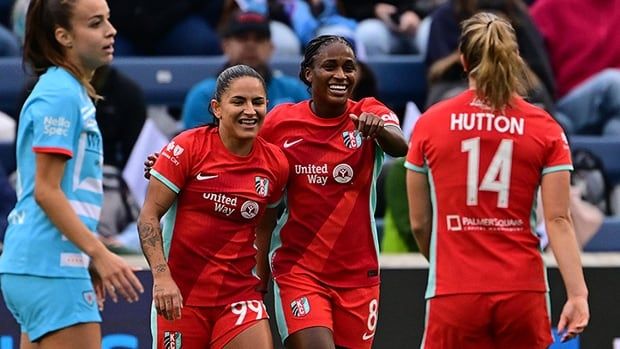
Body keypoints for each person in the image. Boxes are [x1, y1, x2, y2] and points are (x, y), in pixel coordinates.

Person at [405, 12, 589, 348]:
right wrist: (578, 294)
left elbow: (418, 223)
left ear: (463, 61)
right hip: (523, 290)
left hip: (454, 291)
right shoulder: (545, 127)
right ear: (516, 58)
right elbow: (559, 219)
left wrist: (448, 261)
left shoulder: (430, 124)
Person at [0, 0, 144, 348]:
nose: (111, 31)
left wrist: (85, 257)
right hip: (50, 264)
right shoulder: (60, 95)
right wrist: (97, 253)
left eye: (109, 20)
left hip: (43, 264)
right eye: (95, 23)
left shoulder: (69, 90)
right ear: (63, 35)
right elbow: (46, 191)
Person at [258, 35, 408, 348]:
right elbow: (237, 158)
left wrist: (378, 128)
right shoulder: (281, 122)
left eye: (348, 67)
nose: (341, 75)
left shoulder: (369, 112)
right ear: (309, 74)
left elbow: (400, 145)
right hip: (298, 271)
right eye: (330, 66)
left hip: (358, 277)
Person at [139, 64, 289, 349]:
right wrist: (161, 279)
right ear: (216, 108)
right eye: (238, 101)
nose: (250, 110)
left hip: (239, 297)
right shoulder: (186, 148)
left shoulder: (276, 164)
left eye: (258, 102)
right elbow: (148, 215)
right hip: (182, 296)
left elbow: (265, 226)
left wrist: (260, 285)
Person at [181, 11, 309, 129]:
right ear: (226, 46)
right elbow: (198, 147)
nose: (250, 45)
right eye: (242, 38)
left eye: (258, 39)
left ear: (271, 48)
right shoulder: (204, 95)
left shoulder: (293, 90)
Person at [530, 0, 620, 135]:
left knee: (615, 128)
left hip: (614, 106)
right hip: (561, 105)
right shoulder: (550, 7)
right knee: (613, 83)